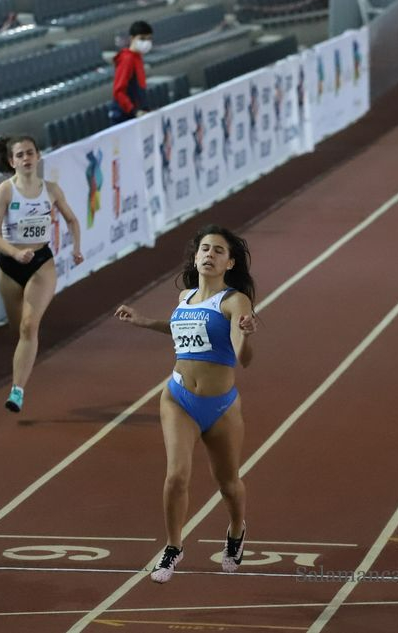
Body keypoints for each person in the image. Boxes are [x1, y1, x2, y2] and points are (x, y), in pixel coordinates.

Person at [115, 225, 259, 583]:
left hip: (221, 406)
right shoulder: (186, 299)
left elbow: (244, 355)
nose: (209, 255)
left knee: (227, 482)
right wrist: (144, 322)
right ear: (195, 258)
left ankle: (237, 529)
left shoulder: (234, 301)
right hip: (178, 397)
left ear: (229, 262)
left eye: (218, 251)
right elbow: (180, 330)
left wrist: (245, 337)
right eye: (204, 249)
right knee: (176, 475)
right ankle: (173, 546)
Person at [0, 135, 84, 412]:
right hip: (9, 265)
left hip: (40, 262)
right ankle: (27, 357)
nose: (26, 158)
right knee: (19, 330)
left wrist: (76, 247)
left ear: (38, 157)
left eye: (30, 153)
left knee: (29, 326)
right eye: (20, 155)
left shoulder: (50, 189)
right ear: (11, 161)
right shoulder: (5, 191)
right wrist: (15, 253)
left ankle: (17, 391)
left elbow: (73, 220)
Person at [108, 21, 153, 126]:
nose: (146, 42)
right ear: (132, 38)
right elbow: (119, 91)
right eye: (142, 38)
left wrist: (145, 108)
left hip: (133, 114)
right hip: (123, 116)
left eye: (149, 39)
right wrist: (134, 111)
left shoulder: (137, 58)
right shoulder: (127, 59)